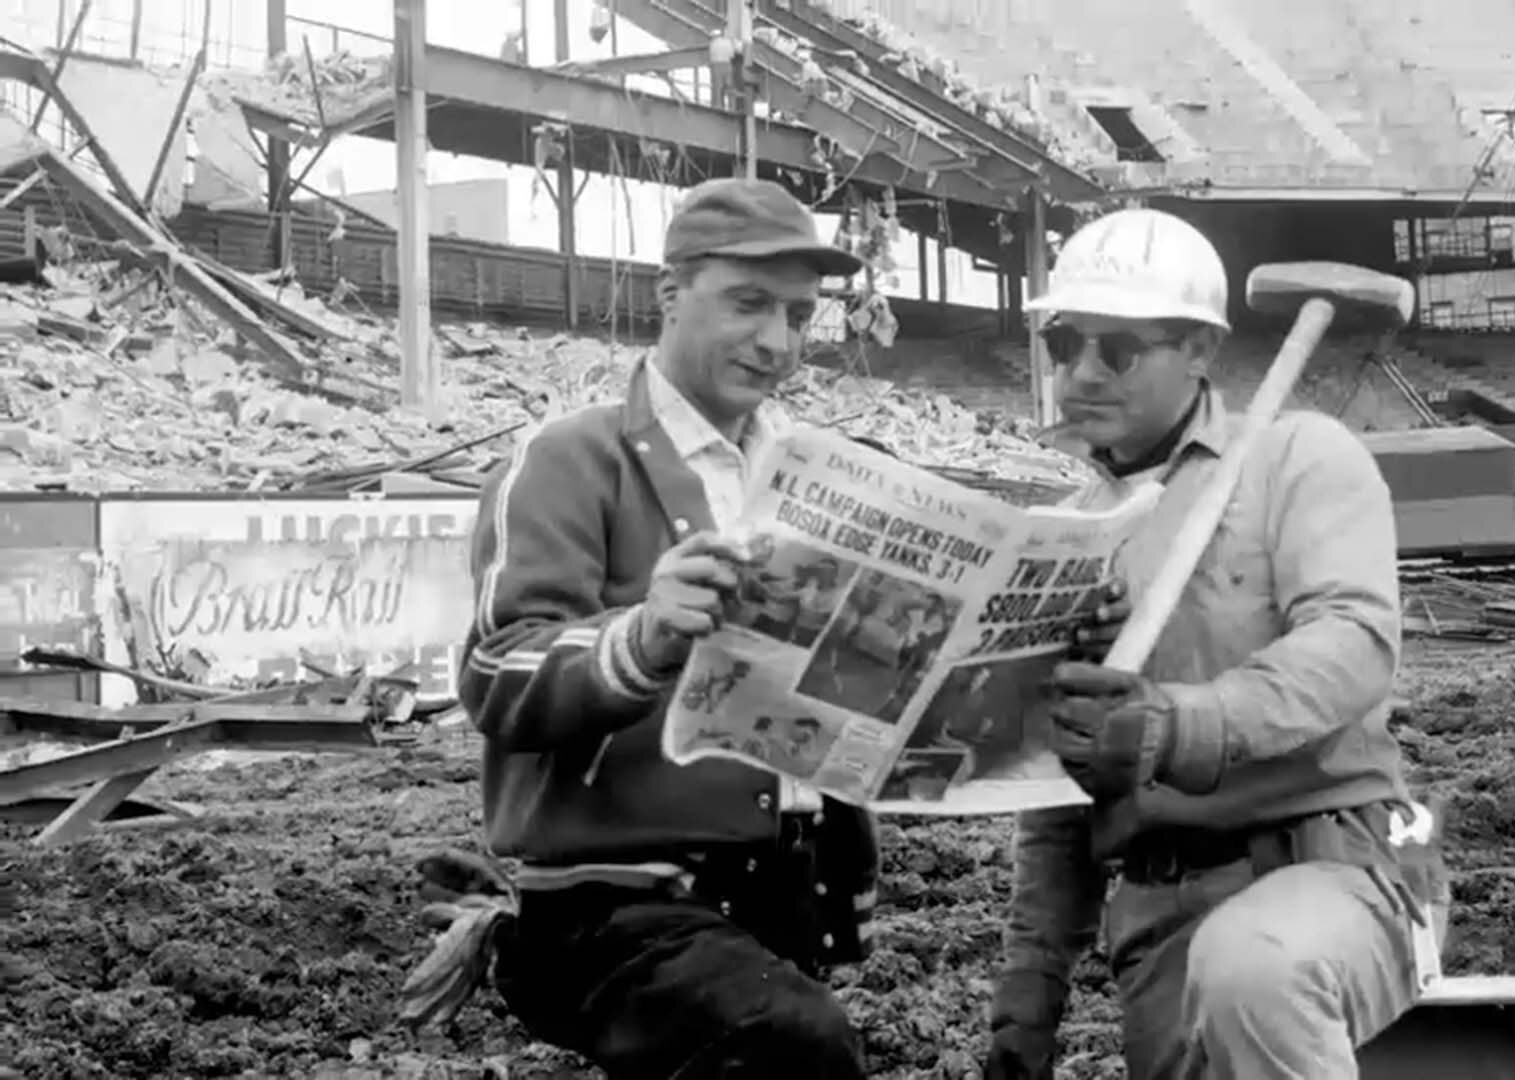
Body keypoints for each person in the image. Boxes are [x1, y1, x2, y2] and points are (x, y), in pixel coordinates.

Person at [454, 176, 1133, 1079]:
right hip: (610, 906)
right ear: (669, 294)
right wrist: (643, 637)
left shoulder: (823, 477)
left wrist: (1055, 631)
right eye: (748, 304)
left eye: (800, 315)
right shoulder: (570, 461)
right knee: (791, 1043)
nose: (778, 341)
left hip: (784, 897)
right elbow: (495, 672)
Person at [982, 208, 1450, 1080]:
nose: (1083, 371)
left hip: (1334, 863)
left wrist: (1174, 725)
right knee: (1222, 983)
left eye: (1119, 349)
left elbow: (1353, 645)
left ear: (1200, 348)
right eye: (1064, 344)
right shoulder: (1064, 538)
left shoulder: (1297, 459)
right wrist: (1030, 992)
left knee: (1254, 974)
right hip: (1158, 918)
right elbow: (1058, 788)